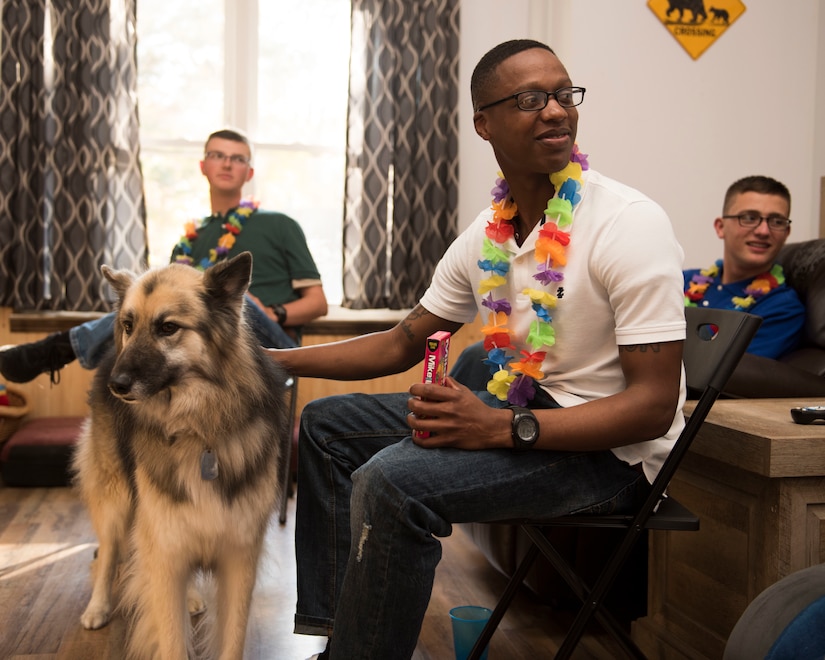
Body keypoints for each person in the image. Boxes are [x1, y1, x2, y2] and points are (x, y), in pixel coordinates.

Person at [269, 39, 687, 660]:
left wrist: (499, 428)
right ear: (483, 123)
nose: (554, 111)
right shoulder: (489, 232)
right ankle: (342, 640)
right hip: (528, 415)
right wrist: (269, 362)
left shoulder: (629, 222)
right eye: (529, 98)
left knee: (392, 483)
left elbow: (654, 408)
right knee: (326, 427)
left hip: (610, 457)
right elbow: (400, 342)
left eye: (562, 94)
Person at [0, 128, 328, 383]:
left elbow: (318, 302)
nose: (227, 163)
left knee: (230, 306)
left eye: (238, 158)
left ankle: (59, 349)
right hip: (204, 347)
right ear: (203, 166)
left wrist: (274, 313)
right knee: (142, 308)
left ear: (249, 173)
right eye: (218, 155)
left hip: (267, 344)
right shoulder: (188, 239)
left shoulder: (280, 225)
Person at [683, 175, 805, 359]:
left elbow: (720, 375)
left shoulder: (782, 308)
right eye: (749, 218)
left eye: (777, 221)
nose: (763, 231)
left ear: (786, 233)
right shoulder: (682, 281)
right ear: (720, 227)